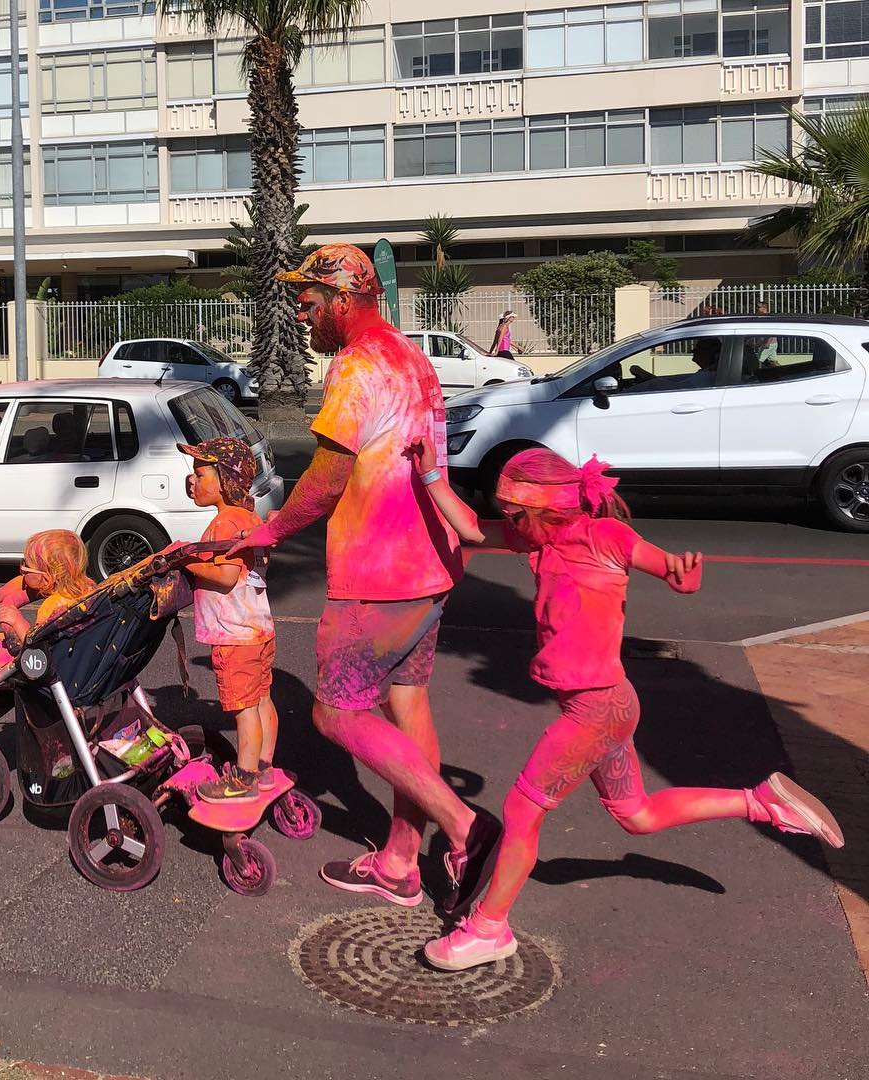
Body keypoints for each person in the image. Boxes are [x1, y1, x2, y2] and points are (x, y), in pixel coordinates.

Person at [405, 439, 846, 971]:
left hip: (596, 710)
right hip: (607, 708)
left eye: (516, 512)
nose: (509, 521)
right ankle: (762, 801)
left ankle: (489, 930)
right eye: (508, 513)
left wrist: (681, 572)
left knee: (523, 810)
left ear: (548, 504)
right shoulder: (539, 541)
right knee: (636, 815)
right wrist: (431, 476)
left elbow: (666, 568)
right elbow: (471, 528)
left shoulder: (602, 534)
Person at [228, 243, 500, 912]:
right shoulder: (411, 357)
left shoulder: (355, 366)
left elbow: (324, 481)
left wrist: (265, 530)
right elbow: (428, 452)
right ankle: (403, 862)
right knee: (407, 705)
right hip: (431, 566)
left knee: (335, 712)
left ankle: (466, 827)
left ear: (343, 301)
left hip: (378, 572)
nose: (301, 308)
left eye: (310, 298)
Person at [160, 437, 278, 803]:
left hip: (234, 634)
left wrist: (182, 558)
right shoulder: (249, 518)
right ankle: (264, 768)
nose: (191, 481)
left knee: (243, 709)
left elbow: (225, 576)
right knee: (261, 701)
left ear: (225, 478)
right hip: (259, 629)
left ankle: (242, 780)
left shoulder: (225, 523)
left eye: (199, 473)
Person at [0, 529, 95, 670]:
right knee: (5, 639)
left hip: (47, 664)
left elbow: (38, 649)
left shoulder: (53, 606)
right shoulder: (86, 588)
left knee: (7, 657)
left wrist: (17, 621)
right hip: (80, 657)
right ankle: (0, 644)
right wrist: (1, 594)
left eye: (26, 565)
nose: (22, 569)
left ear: (47, 579)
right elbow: (25, 583)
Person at [630, 336, 720, 390]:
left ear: (712, 353)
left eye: (699, 348)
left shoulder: (706, 376)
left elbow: (672, 388)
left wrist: (643, 374)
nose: (693, 350)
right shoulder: (707, 373)